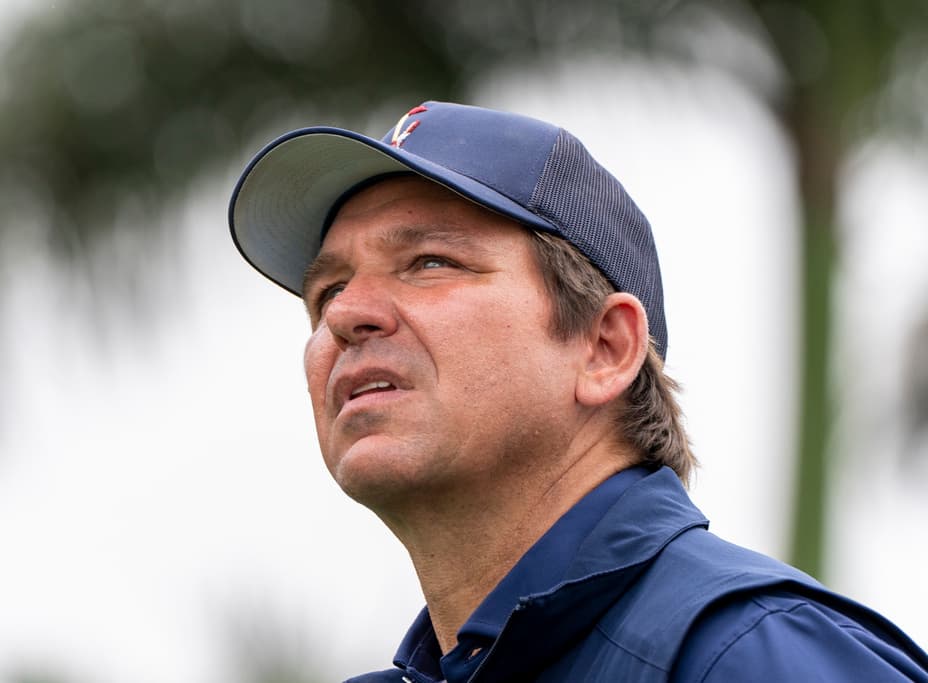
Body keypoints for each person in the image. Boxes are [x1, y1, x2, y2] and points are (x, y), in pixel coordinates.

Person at [227, 101, 928, 682]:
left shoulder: (751, 656)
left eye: (429, 262)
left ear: (605, 347)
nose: (346, 315)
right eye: (328, 290)